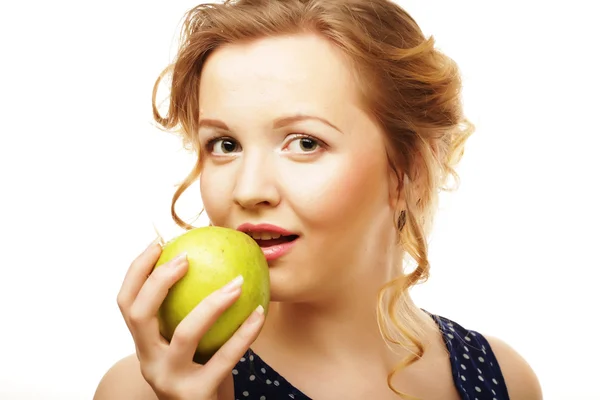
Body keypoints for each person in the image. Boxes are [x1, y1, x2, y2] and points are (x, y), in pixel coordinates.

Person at [94, 0, 543, 399]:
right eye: (225, 144)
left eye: (305, 142)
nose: (248, 190)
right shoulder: (141, 390)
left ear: (411, 169)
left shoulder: (504, 379)